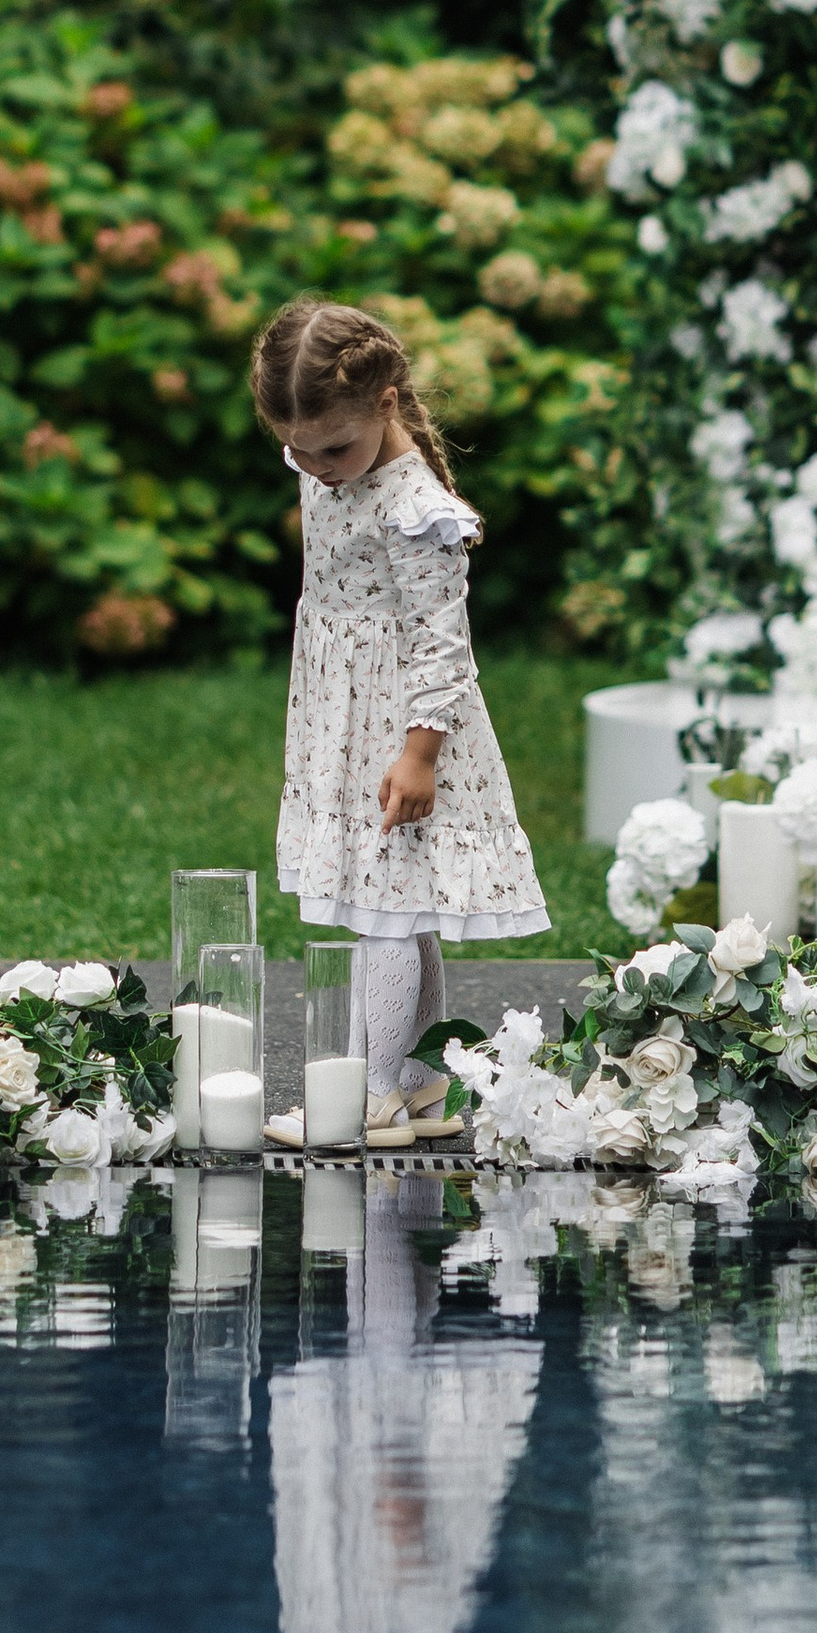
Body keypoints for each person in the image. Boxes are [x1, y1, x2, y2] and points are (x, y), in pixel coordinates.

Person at [248, 298, 546, 1146]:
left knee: (381, 912)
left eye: (331, 448)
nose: (316, 468)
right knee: (395, 908)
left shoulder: (415, 510)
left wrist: (419, 756)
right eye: (296, 449)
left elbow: (441, 646)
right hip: (343, 720)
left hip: (403, 734)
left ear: (384, 402)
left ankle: (370, 1095)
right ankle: (417, 1078)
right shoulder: (329, 459)